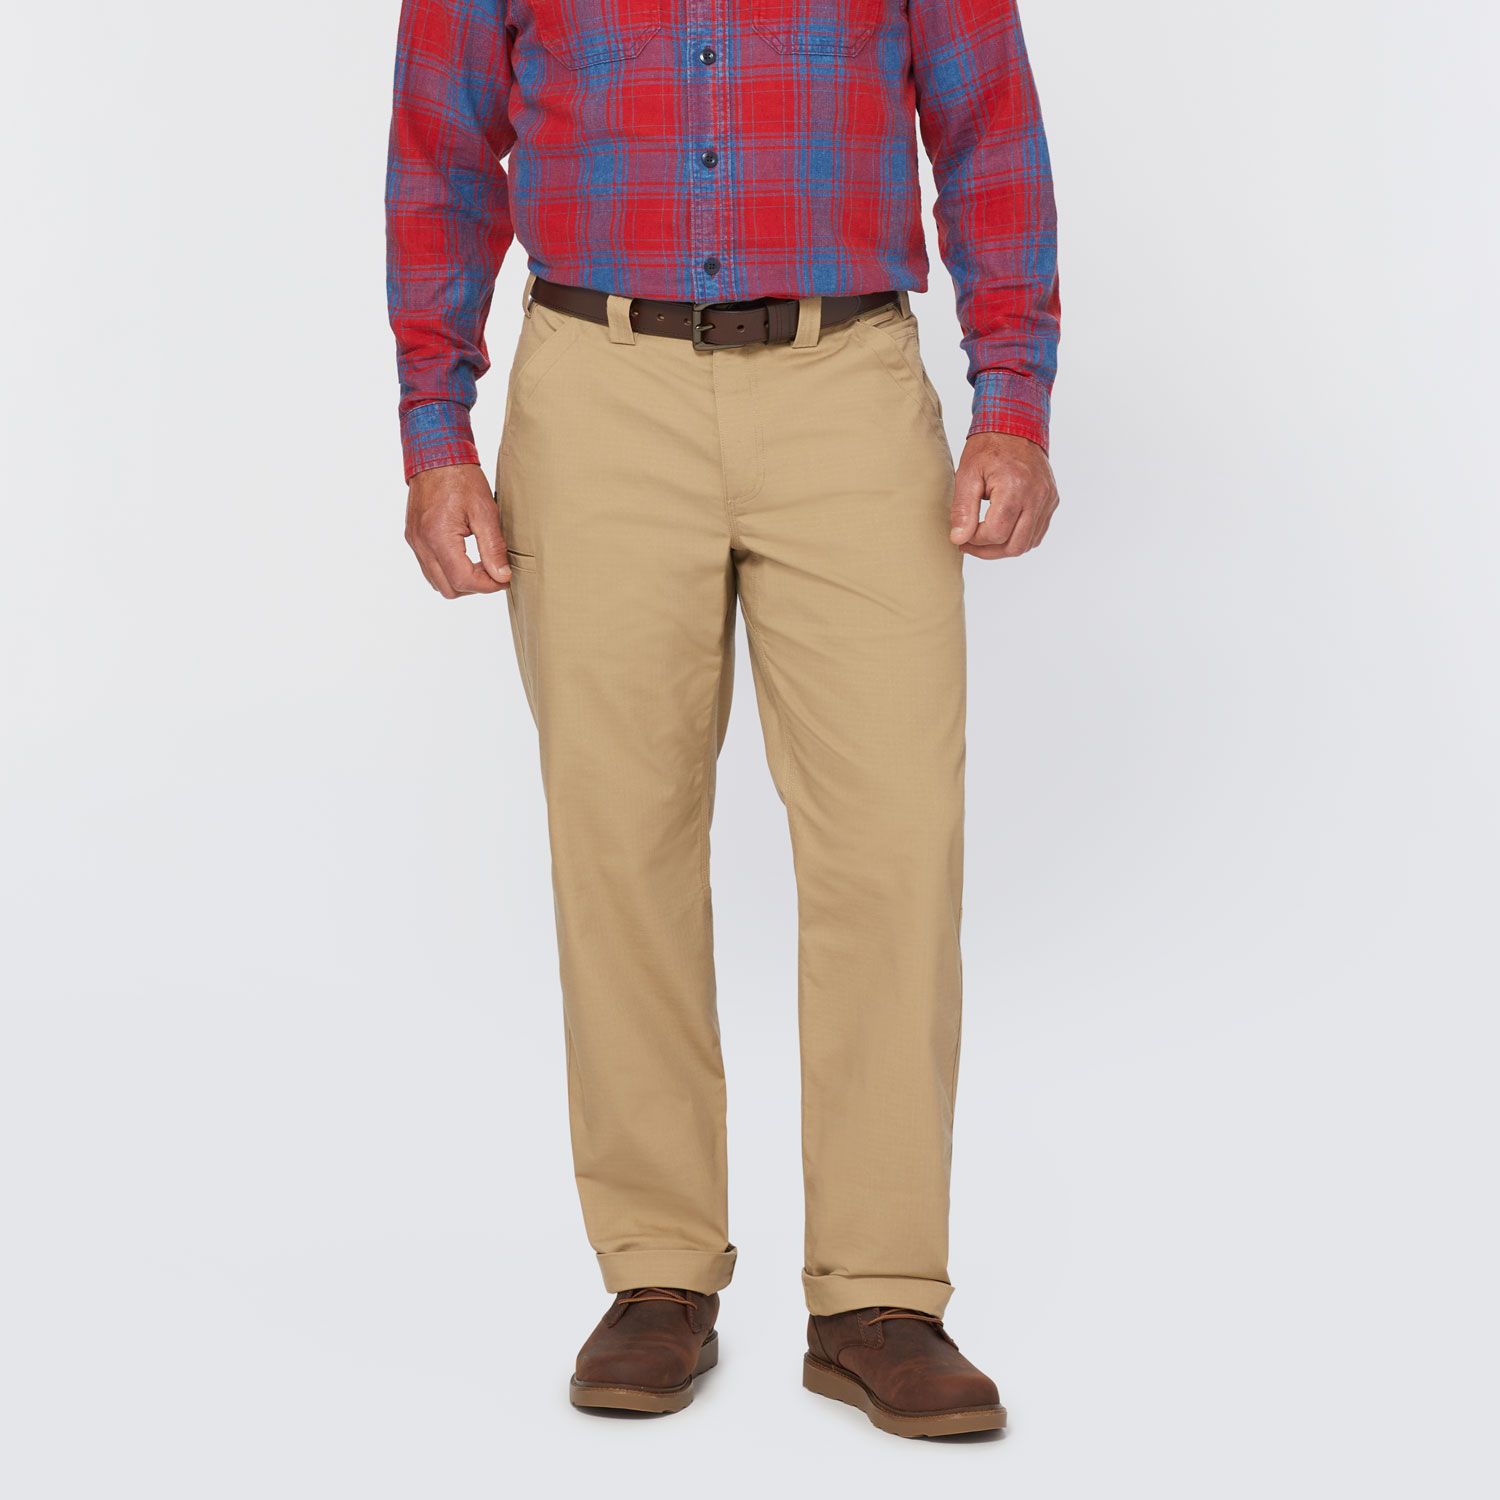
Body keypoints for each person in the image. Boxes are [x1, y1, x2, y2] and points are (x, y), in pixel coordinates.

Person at [386, 0, 1059, 1438]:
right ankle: (657, 1272)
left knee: (894, 839)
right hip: (596, 386)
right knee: (618, 841)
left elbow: (989, 129)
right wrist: (434, 431)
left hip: (846, 384)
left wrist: (1013, 401)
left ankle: (879, 1294)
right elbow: (441, 150)